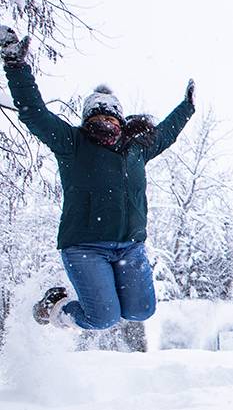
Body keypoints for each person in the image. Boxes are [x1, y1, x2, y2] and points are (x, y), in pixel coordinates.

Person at [2, 25, 196, 331]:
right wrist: (16, 66)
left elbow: (166, 134)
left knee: (141, 311)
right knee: (102, 317)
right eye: (96, 117)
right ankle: (55, 309)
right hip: (85, 246)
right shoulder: (71, 143)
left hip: (130, 247)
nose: (103, 123)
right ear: (86, 121)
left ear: (120, 120)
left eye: (109, 117)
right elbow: (35, 113)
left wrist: (187, 108)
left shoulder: (136, 150)